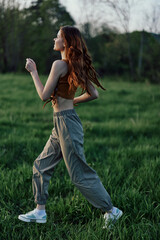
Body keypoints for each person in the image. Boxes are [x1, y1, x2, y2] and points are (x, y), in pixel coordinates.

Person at [18, 25, 123, 228]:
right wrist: (72, 102)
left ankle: (111, 210)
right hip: (63, 122)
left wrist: (33, 72)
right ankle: (40, 211)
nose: (54, 39)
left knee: (79, 174)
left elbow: (44, 95)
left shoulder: (59, 65)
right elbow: (93, 94)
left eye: (57, 37)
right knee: (41, 165)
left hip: (66, 124)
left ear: (65, 42)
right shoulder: (75, 65)